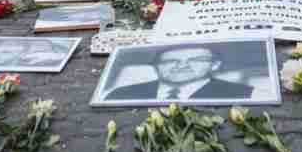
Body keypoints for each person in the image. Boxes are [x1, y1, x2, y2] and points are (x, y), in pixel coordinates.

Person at [106, 45, 255, 101]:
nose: (182, 65)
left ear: (214, 65)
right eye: (171, 61)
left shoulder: (244, 94)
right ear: (155, 67)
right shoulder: (121, 94)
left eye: (195, 60)